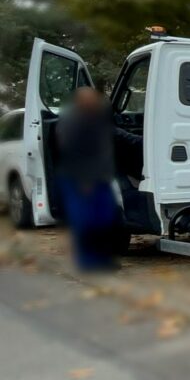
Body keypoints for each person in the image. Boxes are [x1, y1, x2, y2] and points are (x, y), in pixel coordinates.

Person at [56, 87, 124, 271]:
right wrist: (84, 180)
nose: (94, 102)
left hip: (100, 178)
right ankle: (88, 262)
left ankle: (103, 259)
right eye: (89, 100)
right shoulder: (71, 123)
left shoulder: (96, 120)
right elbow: (73, 153)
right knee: (86, 221)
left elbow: (112, 140)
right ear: (79, 102)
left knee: (105, 219)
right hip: (80, 179)